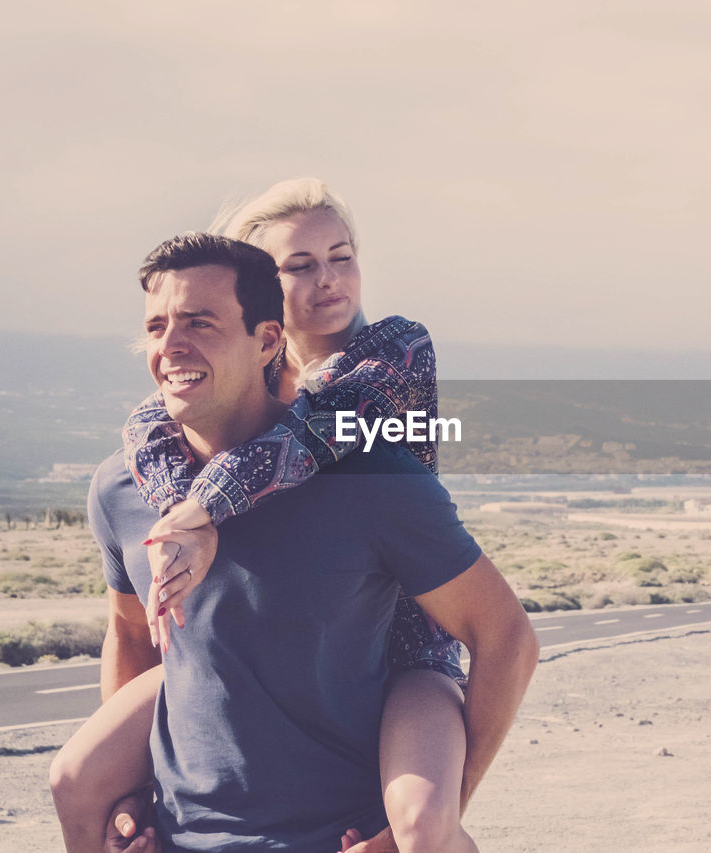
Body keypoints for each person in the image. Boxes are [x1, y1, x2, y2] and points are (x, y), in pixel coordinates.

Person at [53, 230, 537, 852]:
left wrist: (428, 824)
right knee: (69, 778)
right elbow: (128, 635)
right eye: (155, 328)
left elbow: (505, 637)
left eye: (199, 323)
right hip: (178, 840)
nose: (171, 347)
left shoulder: (373, 478)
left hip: (342, 838)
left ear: (267, 341)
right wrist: (128, 801)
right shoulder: (122, 486)